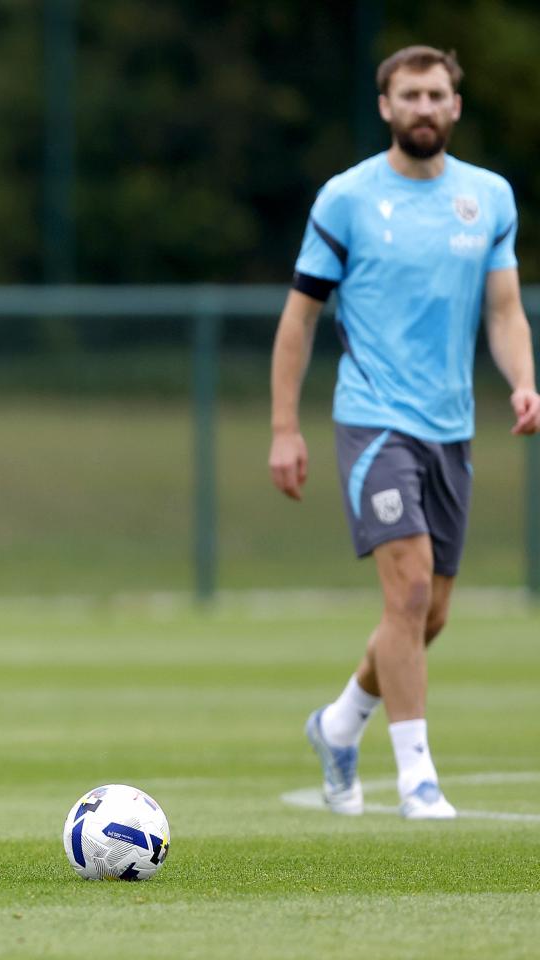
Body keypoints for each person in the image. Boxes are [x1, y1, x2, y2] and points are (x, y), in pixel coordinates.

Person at [269, 46, 540, 820]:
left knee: (429, 614)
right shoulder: (348, 199)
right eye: (408, 95)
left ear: (456, 106)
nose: (423, 107)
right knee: (410, 586)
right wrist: (285, 428)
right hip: (372, 419)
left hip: (450, 429)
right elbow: (299, 320)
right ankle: (417, 778)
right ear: (385, 107)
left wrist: (523, 380)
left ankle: (339, 723)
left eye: (436, 94)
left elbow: (503, 310)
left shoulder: (488, 198)